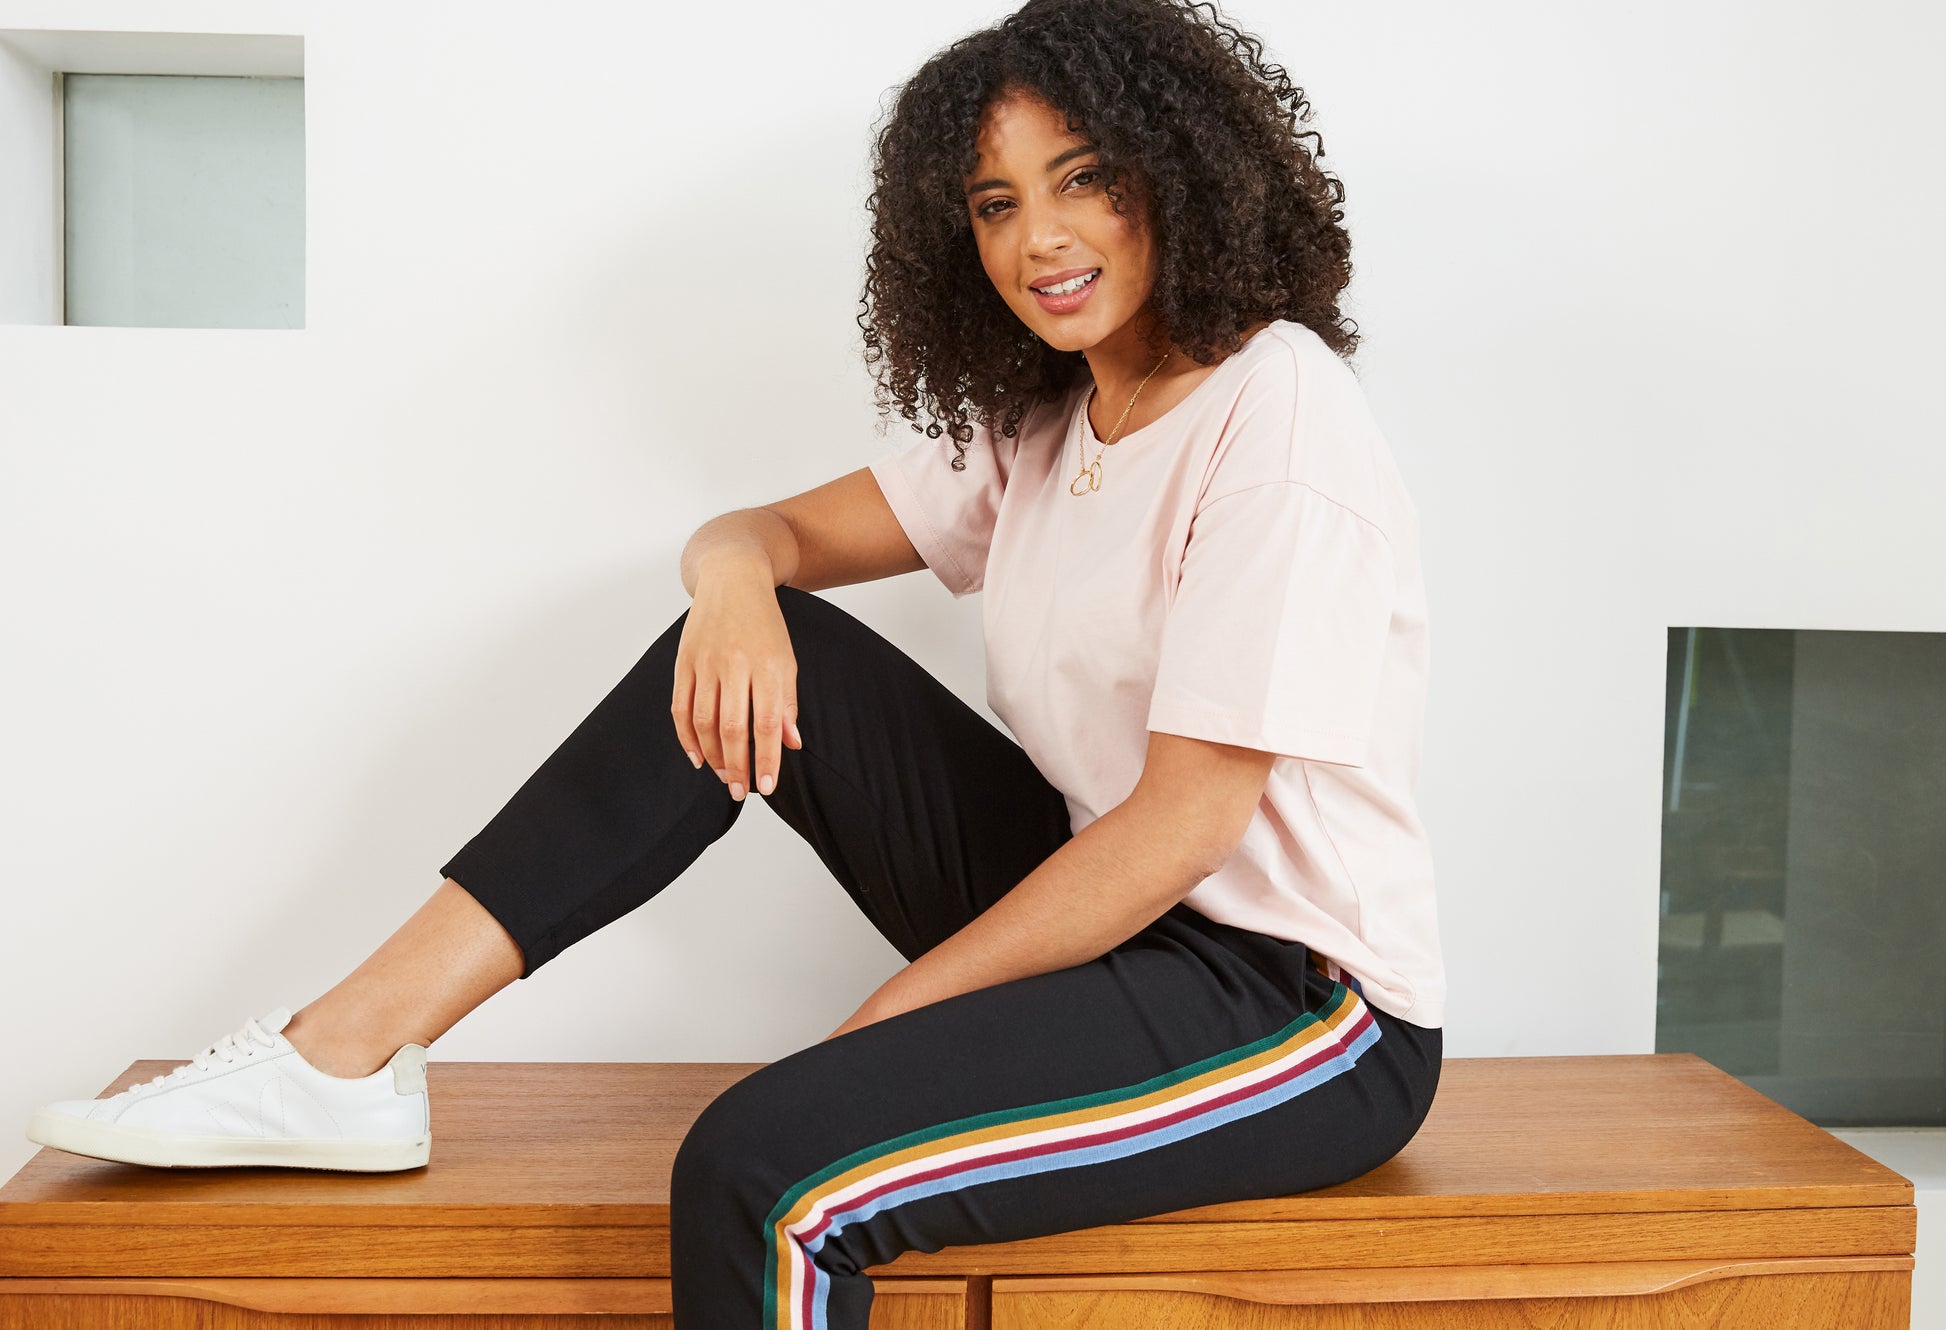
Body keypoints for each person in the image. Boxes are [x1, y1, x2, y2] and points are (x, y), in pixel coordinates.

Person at [26, 0, 1447, 1322]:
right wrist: (732, 589)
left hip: (1296, 1003)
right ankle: (339, 1054)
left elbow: (1183, 824)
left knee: (761, 1171)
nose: (1039, 238)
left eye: (1083, 179)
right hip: (1122, 920)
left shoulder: (1277, 413)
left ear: (1178, 174)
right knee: (760, 651)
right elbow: (757, 535)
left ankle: (350, 1061)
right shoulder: (1046, 422)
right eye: (995, 203)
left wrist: (885, 1026)